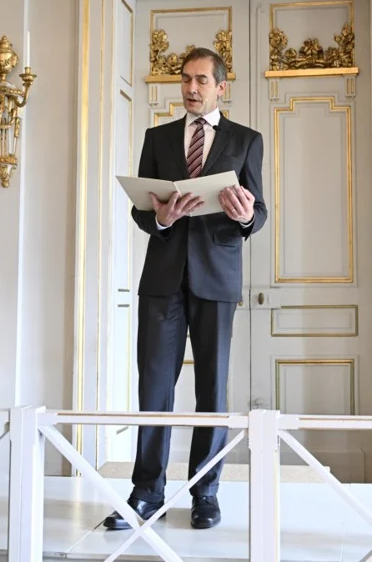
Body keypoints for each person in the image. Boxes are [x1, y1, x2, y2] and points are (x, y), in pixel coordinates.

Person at [103, 47, 267, 531]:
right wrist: (160, 218)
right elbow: (141, 210)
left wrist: (245, 216)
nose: (191, 88)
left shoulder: (246, 140)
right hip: (162, 280)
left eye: (201, 80)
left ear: (221, 87)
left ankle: (205, 493)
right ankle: (145, 493)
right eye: (185, 79)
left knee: (212, 389)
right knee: (154, 388)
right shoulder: (157, 137)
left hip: (217, 279)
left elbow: (258, 212)